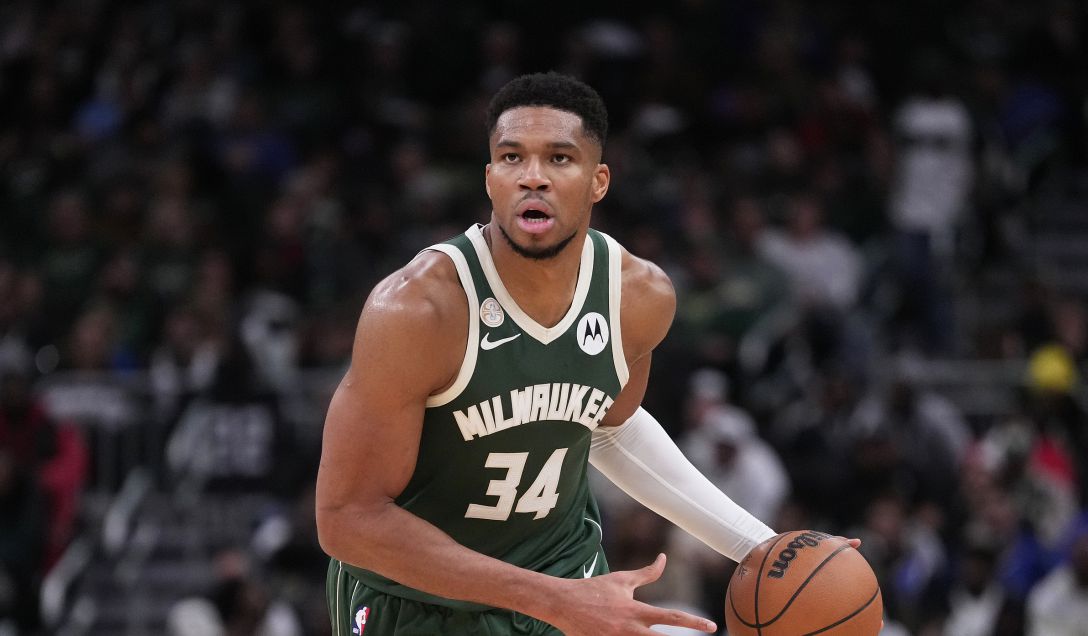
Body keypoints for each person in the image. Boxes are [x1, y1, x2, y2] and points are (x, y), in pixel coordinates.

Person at [315, 72, 780, 636]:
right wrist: (550, 600)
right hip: (420, 603)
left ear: (598, 181)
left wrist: (760, 547)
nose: (532, 176)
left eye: (559, 158)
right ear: (490, 179)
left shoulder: (638, 296)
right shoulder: (418, 310)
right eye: (511, 158)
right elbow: (347, 519)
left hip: (565, 574)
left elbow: (610, 428)